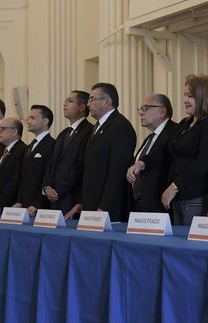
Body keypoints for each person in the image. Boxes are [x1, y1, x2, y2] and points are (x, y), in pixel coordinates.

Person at [161, 74, 208, 224]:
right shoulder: (185, 122)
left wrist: (174, 187)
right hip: (179, 197)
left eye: (189, 96)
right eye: (185, 95)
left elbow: (203, 161)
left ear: (203, 96)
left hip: (195, 196)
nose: (184, 100)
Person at [79, 82, 137, 221]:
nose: (88, 104)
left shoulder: (120, 126)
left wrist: (105, 207)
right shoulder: (98, 126)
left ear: (106, 101)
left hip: (108, 209)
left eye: (92, 99)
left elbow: (118, 171)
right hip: (91, 204)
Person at [42, 91, 92, 218]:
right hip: (54, 200)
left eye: (70, 101)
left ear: (82, 107)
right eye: (65, 101)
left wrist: (58, 190)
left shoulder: (89, 132)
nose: (64, 104)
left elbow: (80, 167)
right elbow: (51, 164)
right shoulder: (63, 134)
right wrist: (47, 187)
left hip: (73, 200)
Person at [126, 94, 177, 214]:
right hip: (139, 206)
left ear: (162, 111)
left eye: (145, 108)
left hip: (161, 207)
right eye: (140, 109)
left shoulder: (175, 132)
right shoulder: (151, 137)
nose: (141, 113)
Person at [16, 104, 56, 216]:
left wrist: (37, 204)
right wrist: (19, 201)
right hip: (25, 206)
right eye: (29, 118)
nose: (28, 121)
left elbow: (48, 177)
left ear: (45, 121)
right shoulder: (29, 147)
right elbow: (23, 177)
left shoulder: (52, 145)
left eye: (32, 118)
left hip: (40, 209)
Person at [0, 117, 26, 213]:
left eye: (2, 128)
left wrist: (0, 202)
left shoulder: (22, 150)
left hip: (10, 206)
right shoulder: (2, 150)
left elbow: (16, 180)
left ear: (14, 132)